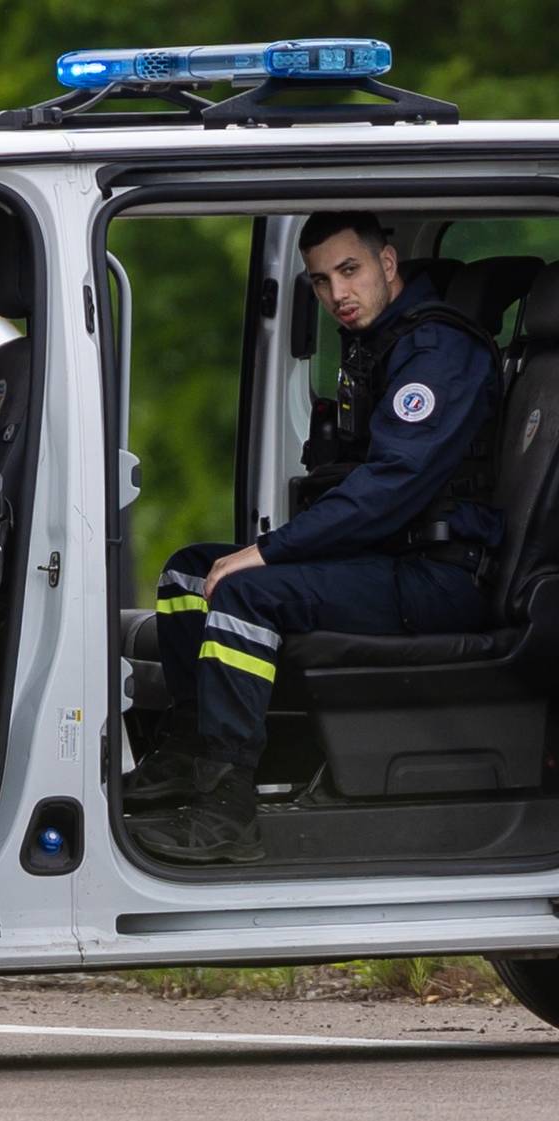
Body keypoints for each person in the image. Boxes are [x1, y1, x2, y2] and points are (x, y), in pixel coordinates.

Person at [123, 211, 502, 865]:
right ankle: (186, 755)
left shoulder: (439, 352)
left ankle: (225, 809)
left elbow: (389, 489)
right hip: (387, 561)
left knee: (245, 594)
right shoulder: (381, 343)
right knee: (188, 573)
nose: (337, 295)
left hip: (438, 576)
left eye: (349, 271)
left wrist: (269, 549)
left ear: (388, 264)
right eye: (321, 282)